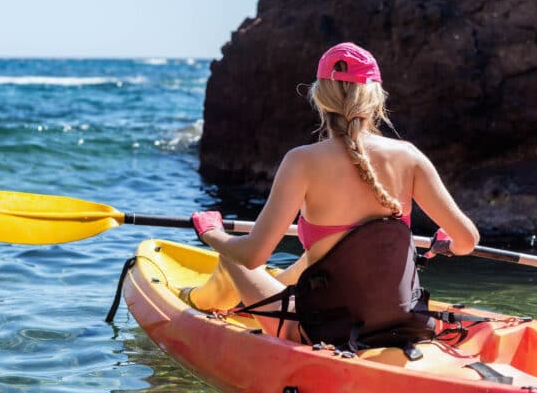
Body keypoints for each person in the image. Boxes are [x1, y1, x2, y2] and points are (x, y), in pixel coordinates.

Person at [182, 42, 480, 347]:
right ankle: (241, 300)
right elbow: (467, 241)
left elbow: (253, 255)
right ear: (376, 98)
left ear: (319, 97)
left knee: (232, 260)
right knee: (310, 262)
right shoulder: (410, 156)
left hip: (324, 333)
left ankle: (193, 301)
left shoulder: (301, 161)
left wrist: (211, 232)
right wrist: (445, 244)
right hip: (402, 324)